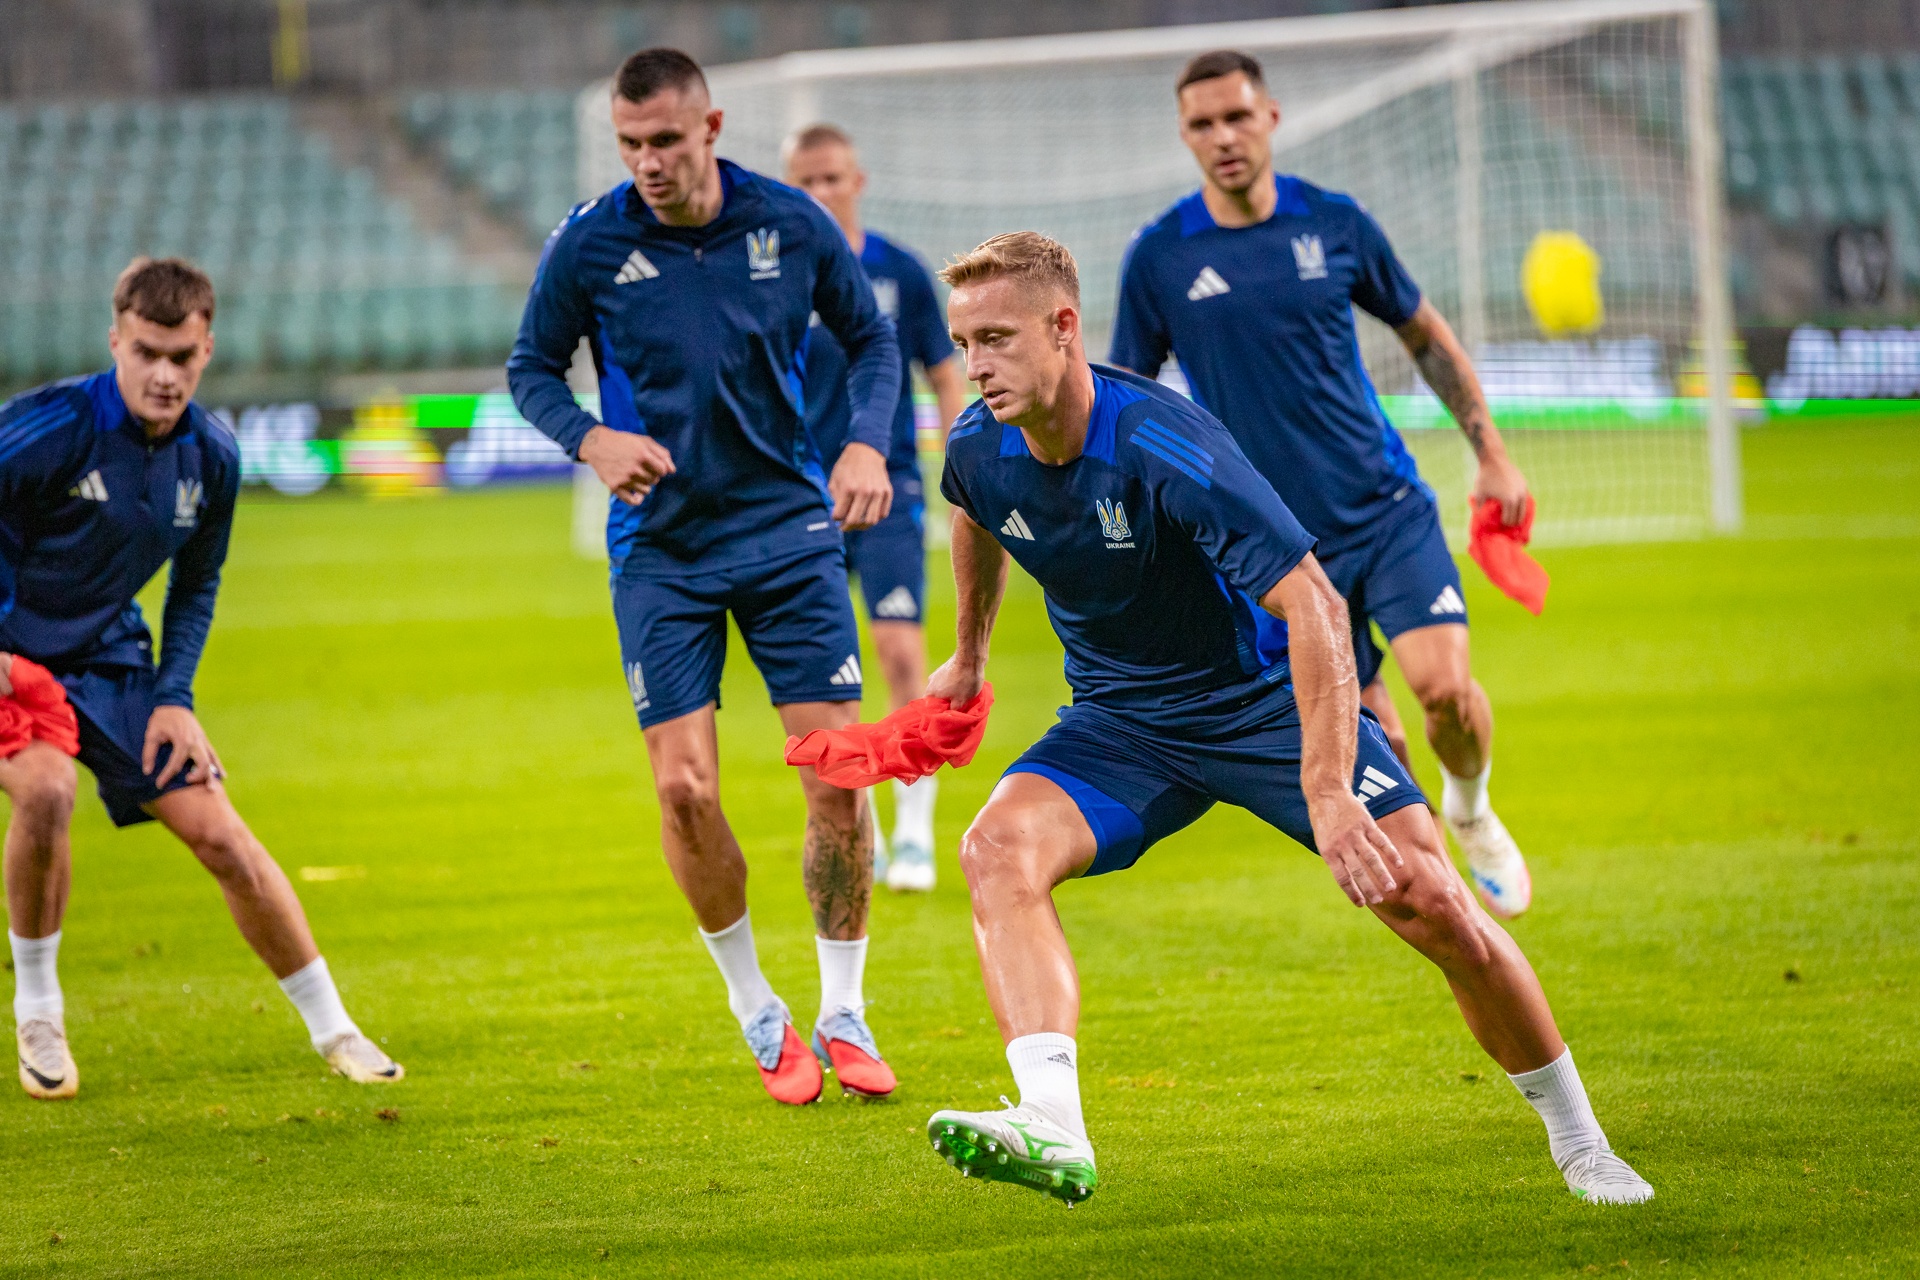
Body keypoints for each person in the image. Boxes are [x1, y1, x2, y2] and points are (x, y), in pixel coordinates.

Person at [922, 232, 1651, 1208]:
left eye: (996, 339)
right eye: (963, 343)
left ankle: (1583, 1142)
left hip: (1262, 704)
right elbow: (974, 509)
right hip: (1122, 722)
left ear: (1063, 327)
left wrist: (1329, 786)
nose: (975, 366)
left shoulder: (1166, 443)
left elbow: (1313, 601)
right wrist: (969, 652)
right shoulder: (977, 441)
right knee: (994, 848)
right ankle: (1052, 1118)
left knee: (1433, 902)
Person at [507, 49, 904, 1105]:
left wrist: (866, 443)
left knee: (837, 777)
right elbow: (529, 368)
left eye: (665, 141)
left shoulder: (789, 222)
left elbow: (871, 339)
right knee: (684, 789)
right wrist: (590, 438)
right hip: (663, 550)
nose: (647, 162)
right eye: (630, 144)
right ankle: (757, 1008)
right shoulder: (589, 242)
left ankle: (844, 1007)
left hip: (787, 532)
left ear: (711, 128)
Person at [1111, 50, 1534, 919]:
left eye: (1237, 116)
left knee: (1447, 694)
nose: (1223, 137)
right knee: (1377, 741)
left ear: (1270, 116)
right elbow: (1128, 401)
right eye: (1202, 124)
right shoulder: (1158, 257)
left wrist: (1491, 454)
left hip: (1385, 509)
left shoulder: (1335, 223)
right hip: (1280, 549)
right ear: (1184, 136)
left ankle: (1472, 805)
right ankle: (1448, 897)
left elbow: (1425, 336)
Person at [0, 258, 402, 1100]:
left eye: (181, 357)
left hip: (109, 657)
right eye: (146, 352)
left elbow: (196, 583)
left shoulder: (211, 456)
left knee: (220, 833)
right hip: (11, 654)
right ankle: (38, 1010)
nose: (164, 374)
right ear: (116, 341)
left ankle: (335, 1029)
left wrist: (174, 697)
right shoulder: (52, 425)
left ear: (207, 350)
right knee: (46, 791)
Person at [782, 122, 971, 893]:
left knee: (898, 652)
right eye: (805, 182)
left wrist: (962, 463)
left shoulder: (899, 271)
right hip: (802, 495)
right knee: (832, 673)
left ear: (857, 182)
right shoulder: (776, 274)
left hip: (889, 488)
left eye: (831, 177)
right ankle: (861, 825)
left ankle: (915, 826)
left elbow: (943, 371)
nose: (820, 192)